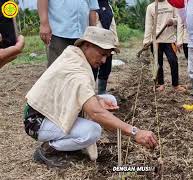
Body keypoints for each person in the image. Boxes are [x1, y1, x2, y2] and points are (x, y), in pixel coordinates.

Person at [24, 27, 158, 168]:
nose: (104, 60)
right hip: (38, 120)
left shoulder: (74, 55)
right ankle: (48, 150)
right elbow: (95, 113)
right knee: (92, 131)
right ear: (87, 45)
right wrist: (134, 132)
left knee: (109, 99)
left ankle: (70, 145)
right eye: (102, 54)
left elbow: (71, 93)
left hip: (52, 110)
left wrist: (97, 100)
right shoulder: (77, 71)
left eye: (107, 55)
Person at [37, 0, 99, 67]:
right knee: (57, 68)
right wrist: (44, 24)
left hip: (82, 34)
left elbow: (92, 7)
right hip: (59, 32)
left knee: (81, 69)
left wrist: (93, 32)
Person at [143, 0, 186, 92]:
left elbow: (180, 20)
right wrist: (146, 41)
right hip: (155, 41)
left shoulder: (172, 4)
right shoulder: (151, 7)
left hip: (169, 40)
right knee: (158, 63)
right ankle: (160, 84)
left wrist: (173, 21)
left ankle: (175, 85)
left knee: (173, 61)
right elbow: (148, 25)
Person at [92, 0, 120, 94]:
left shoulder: (109, 6)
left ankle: (101, 92)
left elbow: (113, 26)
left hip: (108, 43)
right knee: (93, 69)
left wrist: (115, 43)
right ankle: (90, 93)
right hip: (95, 43)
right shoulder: (92, 5)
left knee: (106, 68)